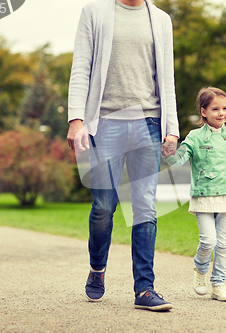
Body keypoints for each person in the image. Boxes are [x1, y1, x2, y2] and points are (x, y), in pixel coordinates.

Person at [66, 0, 179, 311]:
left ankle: (145, 289)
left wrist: (172, 127)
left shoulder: (160, 19)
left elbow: (166, 77)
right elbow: (81, 67)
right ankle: (97, 268)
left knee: (145, 206)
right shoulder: (95, 13)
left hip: (149, 123)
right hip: (104, 123)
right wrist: (76, 120)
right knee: (104, 205)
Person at [162, 87, 226, 302]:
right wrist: (169, 152)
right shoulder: (195, 136)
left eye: (225, 108)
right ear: (203, 112)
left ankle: (219, 284)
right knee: (209, 241)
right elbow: (179, 158)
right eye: (215, 108)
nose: (221, 113)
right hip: (203, 195)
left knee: (223, 243)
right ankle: (200, 270)